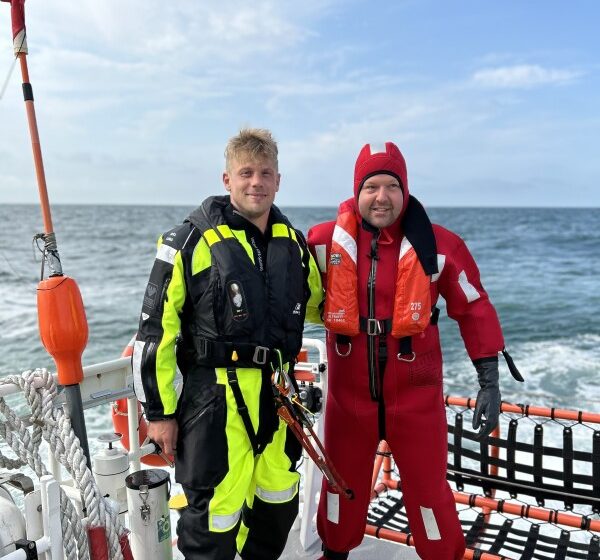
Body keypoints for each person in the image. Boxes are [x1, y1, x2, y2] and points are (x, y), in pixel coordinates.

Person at [307, 142, 523, 560]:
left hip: (417, 400)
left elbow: (473, 307)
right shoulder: (320, 243)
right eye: (371, 187)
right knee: (340, 488)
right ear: (357, 192)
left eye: (392, 185)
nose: (382, 197)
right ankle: (334, 553)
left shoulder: (441, 247)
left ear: (406, 191)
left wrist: (490, 382)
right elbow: (280, 294)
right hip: (347, 402)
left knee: (428, 495)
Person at [132, 128, 323, 560]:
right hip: (213, 401)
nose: (256, 182)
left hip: (277, 396)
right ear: (227, 180)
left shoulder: (294, 246)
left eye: (266, 173)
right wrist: (159, 414)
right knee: (214, 516)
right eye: (246, 172)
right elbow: (155, 333)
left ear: (278, 180)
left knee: (277, 502)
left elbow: (321, 307)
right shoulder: (187, 242)